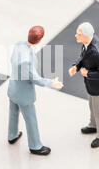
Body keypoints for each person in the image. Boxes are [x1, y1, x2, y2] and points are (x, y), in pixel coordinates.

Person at [8, 25, 63, 156]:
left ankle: (12, 135)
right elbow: (35, 79)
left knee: (13, 113)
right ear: (39, 40)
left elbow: (12, 60)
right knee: (31, 119)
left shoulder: (19, 45)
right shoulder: (27, 60)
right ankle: (35, 146)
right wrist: (51, 83)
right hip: (23, 94)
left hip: (13, 87)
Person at [69, 22, 99, 148]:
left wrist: (88, 74)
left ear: (86, 36)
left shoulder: (98, 53)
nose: (76, 35)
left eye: (79, 34)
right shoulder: (87, 43)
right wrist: (76, 66)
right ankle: (93, 125)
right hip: (91, 86)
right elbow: (82, 57)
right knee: (93, 107)